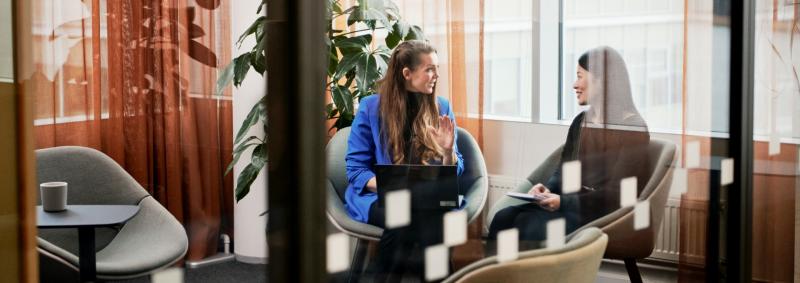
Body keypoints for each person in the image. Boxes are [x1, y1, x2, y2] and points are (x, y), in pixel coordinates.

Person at [488, 46, 650, 248]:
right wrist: (548, 189)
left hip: (602, 215)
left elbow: (618, 195)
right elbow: (565, 169)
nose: (575, 84)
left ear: (603, 81)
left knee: (527, 224)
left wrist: (562, 202)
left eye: (580, 76)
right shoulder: (581, 121)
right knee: (504, 217)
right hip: (570, 205)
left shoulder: (633, 129)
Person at [344, 40, 465, 281]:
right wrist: (394, 187)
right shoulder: (371, 108)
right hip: (381, 198)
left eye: (437, 68)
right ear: (407, 74)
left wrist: (447, 152)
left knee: (419, 216)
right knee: (410, 215)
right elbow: (355, 170)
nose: (436, 75)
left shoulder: (441, 107)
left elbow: (457, 169)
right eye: (429, 69)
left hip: (428, 197)